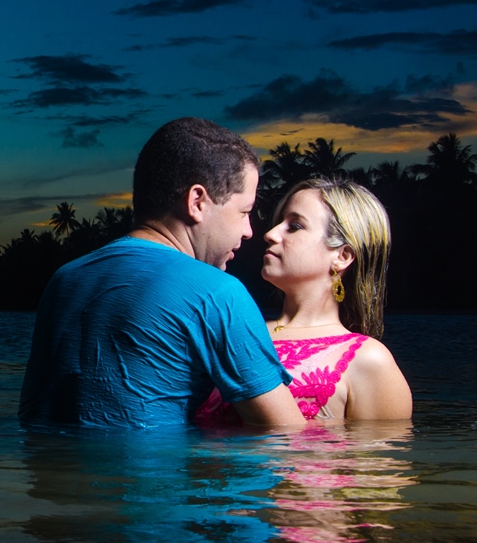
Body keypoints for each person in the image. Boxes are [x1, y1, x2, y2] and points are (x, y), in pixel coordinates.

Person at [19, 117, 305, 428]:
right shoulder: (217, 294)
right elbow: (287, 439)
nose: (249, 231)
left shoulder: (63, 280)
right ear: (197, 202)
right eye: (244, 212)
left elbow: (34, 417)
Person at [196, 179, 412, 423]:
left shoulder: (370, 361)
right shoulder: (238, 332)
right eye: (279, 223)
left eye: (295, 226)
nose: (270, 234)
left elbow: (373, 460)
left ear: (342, 256)